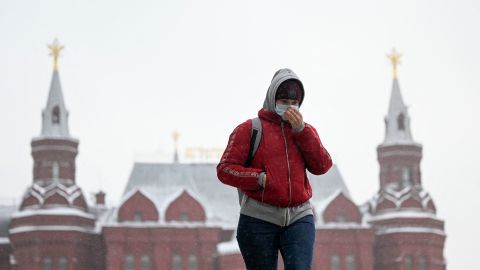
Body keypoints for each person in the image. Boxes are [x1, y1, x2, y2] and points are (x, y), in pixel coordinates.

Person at [217, 68, 333, 270]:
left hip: (299, 216)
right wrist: (258, 178)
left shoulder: (306, 131)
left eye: (294, 103)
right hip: (258, 219)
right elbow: (225, 169)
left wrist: (301, 131)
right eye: (284, 102)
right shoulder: (250, 129)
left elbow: (322, 165)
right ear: (272, 100)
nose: (290, 108)